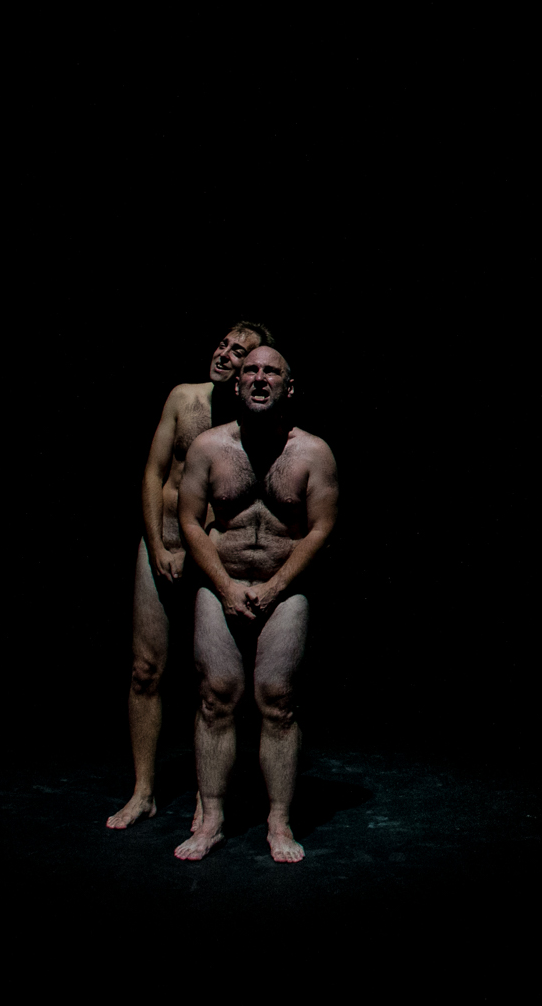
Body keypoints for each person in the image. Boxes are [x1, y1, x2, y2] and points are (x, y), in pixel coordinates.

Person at [172, 345, 338, 863]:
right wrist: (224, 586)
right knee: (216, 696)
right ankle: (212, 819)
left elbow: (320, 528)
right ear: (238, 383)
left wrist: (276, 585)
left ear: (289, 386)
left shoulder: (313, 453)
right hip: (219, 580)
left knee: (278, 699)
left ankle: (279, 821)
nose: (260, 378)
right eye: (251, 370)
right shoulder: (209, 447)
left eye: (271, 371)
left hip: (283, 587)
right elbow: (189, 521)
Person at [107, 321, 274, 830]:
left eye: (239, 352)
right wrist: (158, 545)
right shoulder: (184, 398)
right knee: (145, 669)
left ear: (250, 369)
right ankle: (143, 792)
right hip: (159, 545)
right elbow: (153, 472)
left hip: (208, 555)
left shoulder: (250, 421)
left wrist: (196, 550)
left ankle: (209, 796)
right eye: (223, 344)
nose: (224, 354)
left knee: (212, 683)